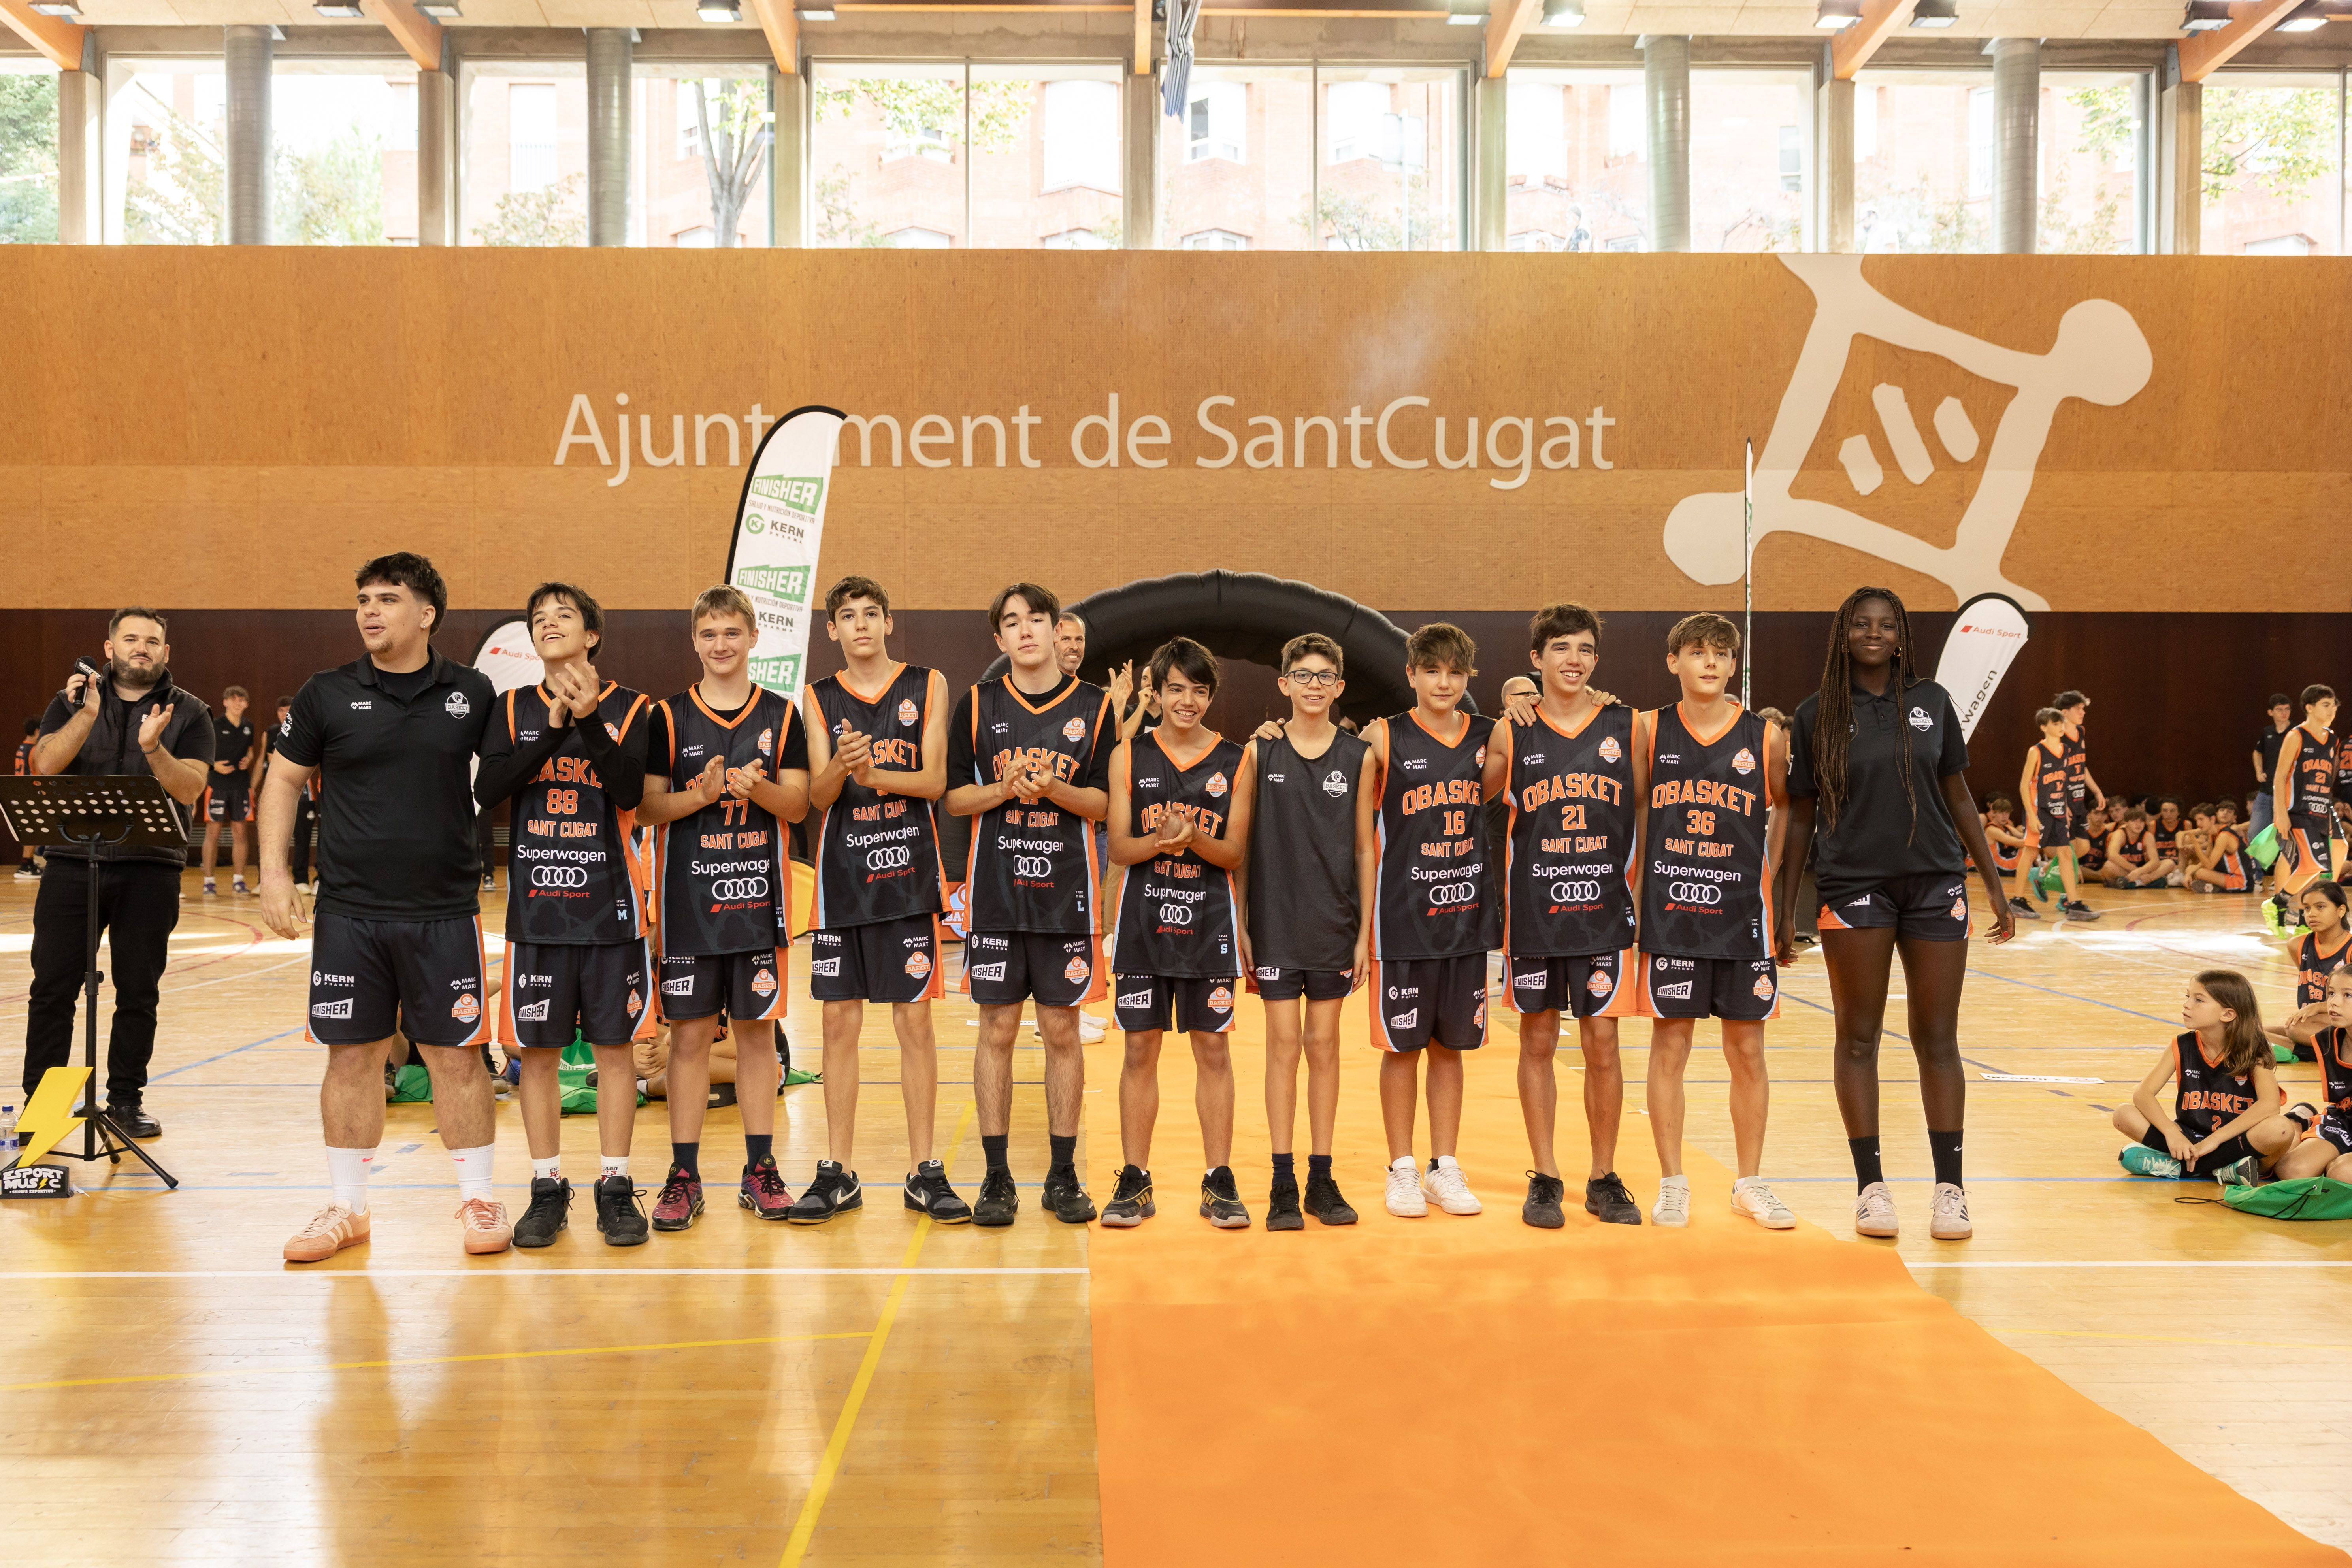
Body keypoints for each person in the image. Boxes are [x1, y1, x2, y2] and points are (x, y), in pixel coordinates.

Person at [261, 556, 501, 1262]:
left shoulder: (472, 691)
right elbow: (283, 780)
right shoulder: (327, 693)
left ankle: (480, 1197)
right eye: (363, 599)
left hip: (444, 910)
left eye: (388, 599)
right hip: (350, 912)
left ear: (426, 614)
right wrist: (276, 873)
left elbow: (516, 768)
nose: (369, 610)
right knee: (351, 1057)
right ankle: (348, 1207)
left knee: (457, 1059)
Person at [1777, 587, 2016, 1244]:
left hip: (1935, 883)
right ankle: (1871, 1188)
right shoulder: (1813, 714)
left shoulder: (1932, 703)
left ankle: (1950, 1191)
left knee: (1936, 1038)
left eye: (1886, 625)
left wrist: (1994, 884)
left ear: (1902, 636)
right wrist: (1780, 906)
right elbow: (1798, 815)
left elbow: (1959, 794)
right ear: (1843, 633)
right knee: (1857, 1037)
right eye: (1861, 624)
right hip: (1854, 884)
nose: (1874, 634)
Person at [472, 582, 656, 1249]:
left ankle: (615, 1183)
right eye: (538, 619)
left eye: (563, 616)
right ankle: (547, 1185)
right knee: (537, 1054)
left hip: (611, 911)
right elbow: (488, 788)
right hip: (538, 913)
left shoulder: (634, 708)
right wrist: (552, 727)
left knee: (615, 1051)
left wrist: (586, 719)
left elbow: (631, 788)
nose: (548, 624)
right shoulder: (512, 706)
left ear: (592, 634)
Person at [793, 575, 969, 1225]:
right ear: (832, 630)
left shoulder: (927, 683)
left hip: (907, 882)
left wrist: (873, 774)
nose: (861, 624)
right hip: (842, 886)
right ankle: (837, 1169)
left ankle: (925, 1169)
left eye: (872, 613)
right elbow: (815, 796)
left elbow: (933, 780)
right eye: (848, 615)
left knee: (914, 1024)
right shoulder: (817, 697)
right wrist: (841, 767)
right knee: (838, 1027)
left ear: (889, 622)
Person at [636, 585, 811, 1231]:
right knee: (686, 1037)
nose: (720, 645)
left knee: (757, 1035)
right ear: (695, 641)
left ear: (752, 637)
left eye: (731, 633)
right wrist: (699, 794)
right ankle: (684, 1174)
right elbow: (649, 807)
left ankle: (759, 1168)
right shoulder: (667, 716)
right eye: (708, 634)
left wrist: (755, 787)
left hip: (758, 906)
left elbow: (797, 806)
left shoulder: (782, 715)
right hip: (688, 907)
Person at [945, 582, 1112, 1228]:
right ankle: (995, 1176)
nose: (1025, 631)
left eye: (1035, 619)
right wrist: (1001, 788)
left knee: (1064, 1032)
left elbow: (1104, 805)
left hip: (1065, 896)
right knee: (997, 1031)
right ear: (999, 638)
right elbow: (955, 799)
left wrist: (1059, 791)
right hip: (996, 893)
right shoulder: (977, 704)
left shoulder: (1094, 707)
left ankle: (1062, 1175)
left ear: (1054, 628)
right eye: (1011, 622)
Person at [23, 609, 215, 1141]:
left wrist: (154, 748)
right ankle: (43, 1107)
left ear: (166, 653)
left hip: (149, 869)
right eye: (130, 639)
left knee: (138, 990)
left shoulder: (191, 713)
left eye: (153, 641)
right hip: (69, 864)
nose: (142, 648)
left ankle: (125, 1101)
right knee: (53, 988)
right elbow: (45, 766)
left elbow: (189, 790)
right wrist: (84, 715)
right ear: (108, 649)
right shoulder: (71, 700)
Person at [1636, 613, 1792, 1231]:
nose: (1709, 663)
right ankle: (1673, 1181)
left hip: (1739, 916)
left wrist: (1769, 876)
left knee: (1748, 1050)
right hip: (1671, 914)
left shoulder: (1765, 737)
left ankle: (1748, 1182)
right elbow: (1638, 807)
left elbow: (1782, 808)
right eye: (1696, 652)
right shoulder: (1649, 729)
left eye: (1721, 654)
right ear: (1672, 661)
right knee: (1669, 1045)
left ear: (1734, 666)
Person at [1494, 604, 1643, 1229]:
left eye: (1584, 649)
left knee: (1603, 1043)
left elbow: (1644, 809)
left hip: (1603, 913)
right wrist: (1508, 700)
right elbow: (1477, 799)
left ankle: (1603, 1176)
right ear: (1536, 659)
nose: (1574, 660)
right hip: (1534, 911)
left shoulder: (1627, 725)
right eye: (1560, 649)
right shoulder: (1511, 731)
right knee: (1537, 1041)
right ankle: (1546, 1174)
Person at [1100, 637, 1249, 1229]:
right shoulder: (1128, 756)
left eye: (1200, 690)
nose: (1188, 700)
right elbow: (1117, 846)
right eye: (1177, 689)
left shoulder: (1237, 760)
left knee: (1213, 1048)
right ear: (1157, 693)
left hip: (1209, 922)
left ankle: (1219, 1177)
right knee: (1140, 1047)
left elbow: (1233, 852)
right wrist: (1162, 842)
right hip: (1143, 921)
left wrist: (1194, 840)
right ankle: (1136, 1176)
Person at [1233, 633, 1372, 1229]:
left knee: (1324, 1046)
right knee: (1283, 1046)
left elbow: (1366, 849)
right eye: (1302, 675)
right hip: (1274, 922)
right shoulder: (1259, 753)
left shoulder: (1361, 755)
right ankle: (1282, 1178)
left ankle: (1321, 1175)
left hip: (1333, 924)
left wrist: (1365, 934)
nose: (1314, 685)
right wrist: (1240, 922)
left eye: (1325, 676)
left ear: (1339, 687)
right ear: (1283, 684)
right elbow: (1238, 847)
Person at [1365, 622, 1499, 1220]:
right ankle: (1402, 1168)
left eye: (1456, 672)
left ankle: (1445, 1166)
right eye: (1433, 671)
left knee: (1451, 1049)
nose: (1444, 683)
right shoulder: (1384, 740)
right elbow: (1361, 837)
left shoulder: (1494, 739)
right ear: (1412, 674)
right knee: (1402, 1049)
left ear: (1468, 678)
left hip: (1467, 920)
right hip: (1403, 920)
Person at [2112, 970, 2288, 1185]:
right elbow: (2143, 1094)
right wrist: (2171, 1133)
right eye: (2187, 997)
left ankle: (2180, 1167)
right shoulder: (2182, 1044)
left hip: (2235, 1140)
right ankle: (2223, 1169)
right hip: (2189, 1137)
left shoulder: (2254, 1050)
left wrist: (2214, 1141)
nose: (2187, 1005)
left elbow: (2270, 1105)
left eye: (2198, 1000)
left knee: (2281, 1129)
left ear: (2228, 1014)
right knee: (2123, 1115)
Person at [2265, 966, 2352, 1182]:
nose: (2334, 1002)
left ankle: (2332, 1160)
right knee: (2291, 1171)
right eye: (2332, 993)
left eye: (2348, 995)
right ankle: (2303, 1121)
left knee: (2342, 1173)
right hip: (2345, 1121)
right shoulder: (2327, 1039)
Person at [2269, 685, 2338, 936]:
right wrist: (2281, 814)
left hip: (2321, 811)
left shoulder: (2332, 739)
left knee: (2314, 868)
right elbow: (2279, 777)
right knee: (2312, 864)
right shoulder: (2296, 736)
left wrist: (2329, 813)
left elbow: (2327, 779)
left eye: (2334, 705)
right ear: (2310, 708)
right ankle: (2286, 904)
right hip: (2296, 811)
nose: (2332, 710)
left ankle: (2291, 910)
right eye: (2326, 705)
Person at [2018, 708, 2097, 922]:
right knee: (2030, 852)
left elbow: (2062, 784)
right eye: (2055, 724)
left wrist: (2065, 808)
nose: (2061, 727)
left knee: (2066, 853)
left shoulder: (2067, 752)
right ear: (2044, 727)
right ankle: (2017, 899)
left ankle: (2073, 903)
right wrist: (2031, 816)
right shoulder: (2036, 751)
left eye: (2062, 723)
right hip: (2039, 810)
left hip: (2059, 811)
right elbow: (2024, 785)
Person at [2268, 882, 2350, 1061]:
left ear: (2341, 911)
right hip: (2316, 1022)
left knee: (2295, 1029)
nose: (2311, 914)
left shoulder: (2350, 949)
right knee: (2252, 1032)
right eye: (2307, 908)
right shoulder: (2297, 945)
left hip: (2344, 1021)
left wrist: (2317, 1007)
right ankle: (2314, 1053)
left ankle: (2340, 1052)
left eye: (2320, 907)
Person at [201, 685, 258, 896]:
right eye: (233, 699)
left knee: (240, 834)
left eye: (241, 700)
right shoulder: (214, 724)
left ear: (246, 704)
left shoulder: (248, 726)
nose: (237, 703)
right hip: (217, 784)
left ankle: (239, 881)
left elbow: (251, 752)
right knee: (213, 834)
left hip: (241, 785)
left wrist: (248, 760)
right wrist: (214, 765)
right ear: (225, 702)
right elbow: (202, 750)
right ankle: (209, 882)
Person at [2098, 806, 2175, 888]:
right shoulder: (2120, 834)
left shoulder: (2148, 836)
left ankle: (2136, 882)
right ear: (2126, 823)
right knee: (2109, 866)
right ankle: (2148, 882)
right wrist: (2136, 871)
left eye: (2142, 821)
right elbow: (2113, 856)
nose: (2138, 825)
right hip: (2125, 870)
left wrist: (2139, 872)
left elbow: (2155, 862)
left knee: (2170, 863)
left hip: (2141, 870)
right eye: (2134, 821)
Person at [2252, 693, 2294, 841]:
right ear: (2271, 712)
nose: (2284, 713)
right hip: (2267, 790)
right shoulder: (2267, 732)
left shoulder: (2296, 732)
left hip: (2287, 792)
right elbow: (2257, 753)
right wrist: (2259, 772)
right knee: (2255, 833)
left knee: (2283, 834)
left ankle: (2280, 863)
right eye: (2280, 709)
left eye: (2287, 709)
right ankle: (2261, 865)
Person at [2188, 801, 2253, 893]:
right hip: (2227, 875)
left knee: (2200, 873)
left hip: (2241, 882)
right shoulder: (2213, 834)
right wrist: (2189, 873)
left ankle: (2217, 889)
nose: (2198, 824)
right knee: (2190, 869)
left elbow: (2209, 866)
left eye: (2201, 820)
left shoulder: (2224, 836)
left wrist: (2195, 844)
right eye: (2197, 821)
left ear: (2212, 819)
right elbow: (2206, 859)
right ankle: (2212, 886)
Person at [1981, 796, 2031, 912]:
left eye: (2007, 813)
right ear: (1994, 814)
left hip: (2008, 861)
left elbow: (2023, 837)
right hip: (2000, 866)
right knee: (2028, 849)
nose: (2005, 816)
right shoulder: (1991, 830)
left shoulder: (2007, 826)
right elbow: (2020, 843)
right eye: (2001, 813)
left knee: (2029, 847)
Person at [14, 717, 39, 879]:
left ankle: (28, 863)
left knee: (31, 829)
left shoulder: (22, 747)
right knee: (33, 829)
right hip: (30, 792)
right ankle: (26, 864)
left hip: (20, 791)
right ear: (38, 731)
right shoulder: (34, 749)